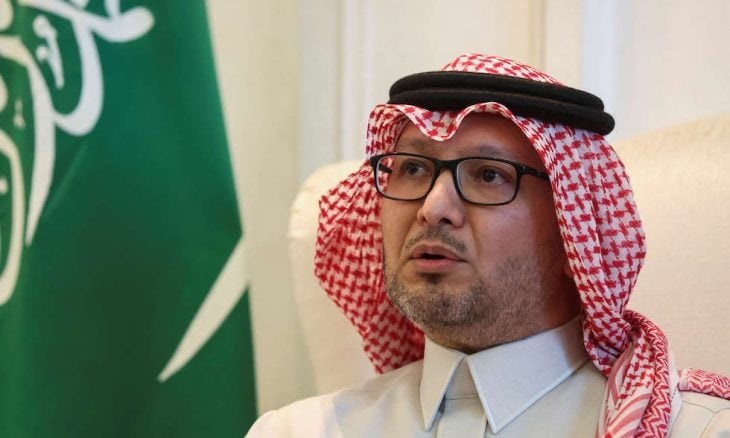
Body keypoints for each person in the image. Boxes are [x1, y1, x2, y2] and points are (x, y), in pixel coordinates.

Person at [247, 54, 730, 437]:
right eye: (412, 168)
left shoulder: (697, 428)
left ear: (573, 228)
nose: (433, 207)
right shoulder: (296, 431)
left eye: (488, 175)